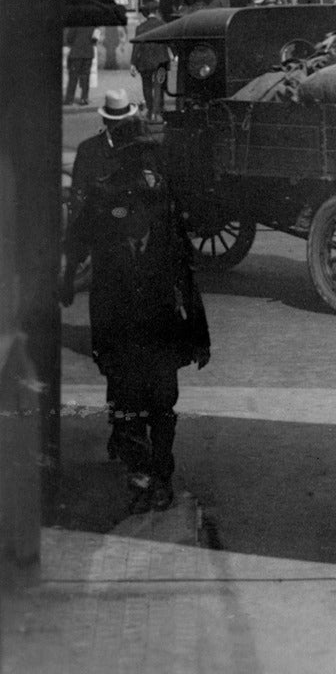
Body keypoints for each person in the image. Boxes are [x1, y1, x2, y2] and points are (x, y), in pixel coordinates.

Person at [59, 95, 209, 512]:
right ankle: (142, 472)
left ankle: (159, 475)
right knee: (127, 404)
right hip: (119, 328)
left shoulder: (163, 216)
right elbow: (75, 239)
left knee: (163, 406)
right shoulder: (105, 207)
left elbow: (185, 277)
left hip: (160, 332)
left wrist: (200, 337)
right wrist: (68, 279)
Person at [64, 22, 96, 106]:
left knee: (73, 76)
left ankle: (69, 99)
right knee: (85, 76)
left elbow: (69, 38)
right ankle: (84, 99)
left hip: (76, 53)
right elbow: (95, 39)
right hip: (88, 53)